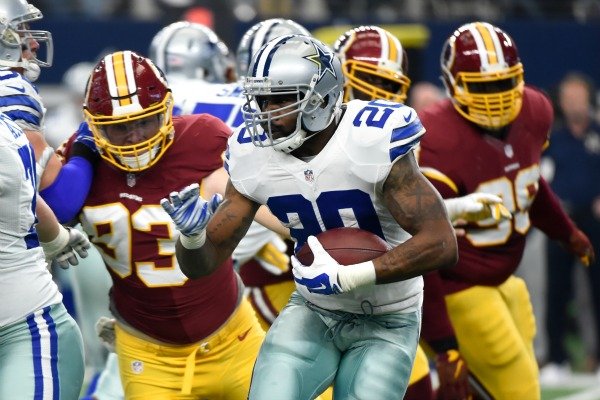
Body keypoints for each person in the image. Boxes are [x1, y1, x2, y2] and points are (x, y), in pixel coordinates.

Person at [161, 34, 458, 399]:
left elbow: (441, 243)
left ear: (322, 97)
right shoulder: (250, 155)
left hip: (389, 316)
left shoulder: (371, 139)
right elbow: (202, 265)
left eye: (280, 101)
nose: (266, 114)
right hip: (314, 308)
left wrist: (352, 275)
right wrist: (192, 238)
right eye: (261, 101)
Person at [55, 50, 266, 399]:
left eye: (146, 121)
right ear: (93, 126)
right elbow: (43, 213)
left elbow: (264, 187)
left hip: (233, 336)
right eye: (120, 127)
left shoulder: (202, 138)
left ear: (167, 110)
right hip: (146, 351)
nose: (136, 136)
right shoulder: (80, 163)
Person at [416, 21, 596, 399]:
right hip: (459, 286)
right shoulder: (436, 137)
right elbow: (426, 249)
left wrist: (566, 233)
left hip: (504, 276)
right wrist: (443, 342)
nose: (496, 97)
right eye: (482, 87)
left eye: (503, 83)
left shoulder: (534, 108)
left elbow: (530, 181)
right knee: (519, 387)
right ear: (453, 85)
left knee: (507, 374)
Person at [334, 24, 512, 400]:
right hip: (304, 293)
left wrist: (456, 208)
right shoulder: (307, 134)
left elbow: (401, 226)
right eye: (365, 79)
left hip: (372, 290)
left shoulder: (396, 138)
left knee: (415, 387)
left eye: (388, 85)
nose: (376, 95)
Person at [0, 28, 90, 394]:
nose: (33, 44)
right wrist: (56, 237)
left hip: (21, 326)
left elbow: (45, 195)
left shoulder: (10, 105)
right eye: (20, 33)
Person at [539, 71, 600, 382]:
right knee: (557, 289)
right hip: (561, 221)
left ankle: (597, 356)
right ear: (561, 102)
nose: (574, 103)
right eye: (568, 98)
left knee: (597, 287)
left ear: (589, 98)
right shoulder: (553, 138)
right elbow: (540, 178)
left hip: (595, 220)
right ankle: (557, 359)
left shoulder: (598, 134)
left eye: (578, 97)